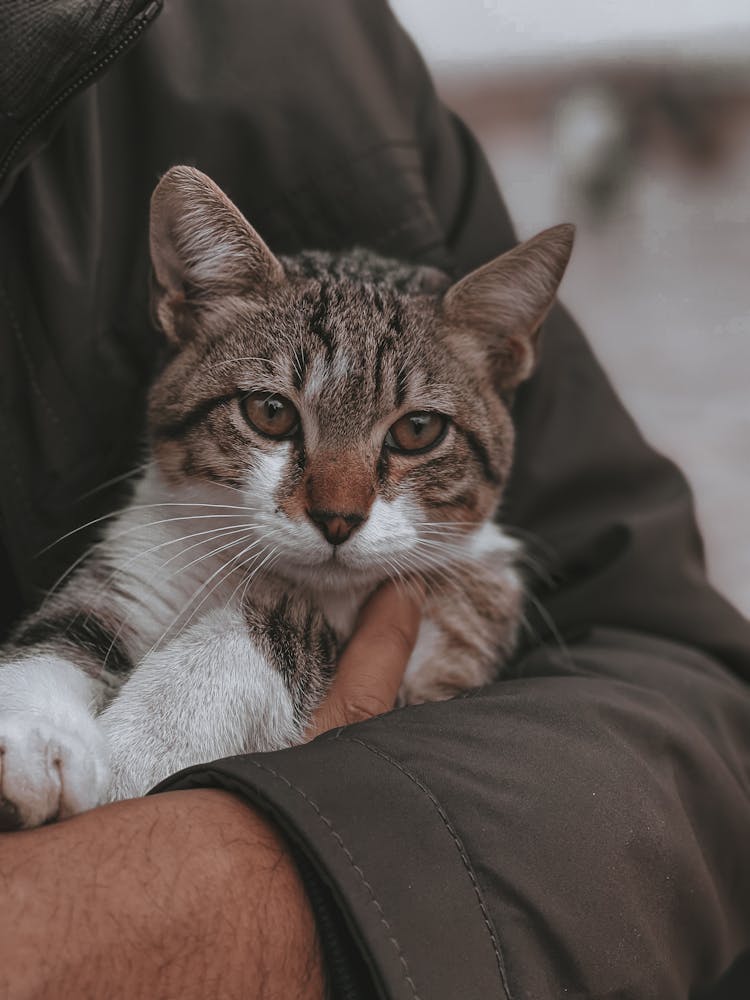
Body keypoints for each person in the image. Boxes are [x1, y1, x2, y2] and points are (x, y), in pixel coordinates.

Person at [1, 2, 748, 998]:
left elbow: (678, 685)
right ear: (185, 302)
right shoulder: (174, 514)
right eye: (276, 414)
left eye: (413, 434)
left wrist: (234, 873)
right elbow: (88, 633)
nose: (340, 500)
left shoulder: (318, 45)